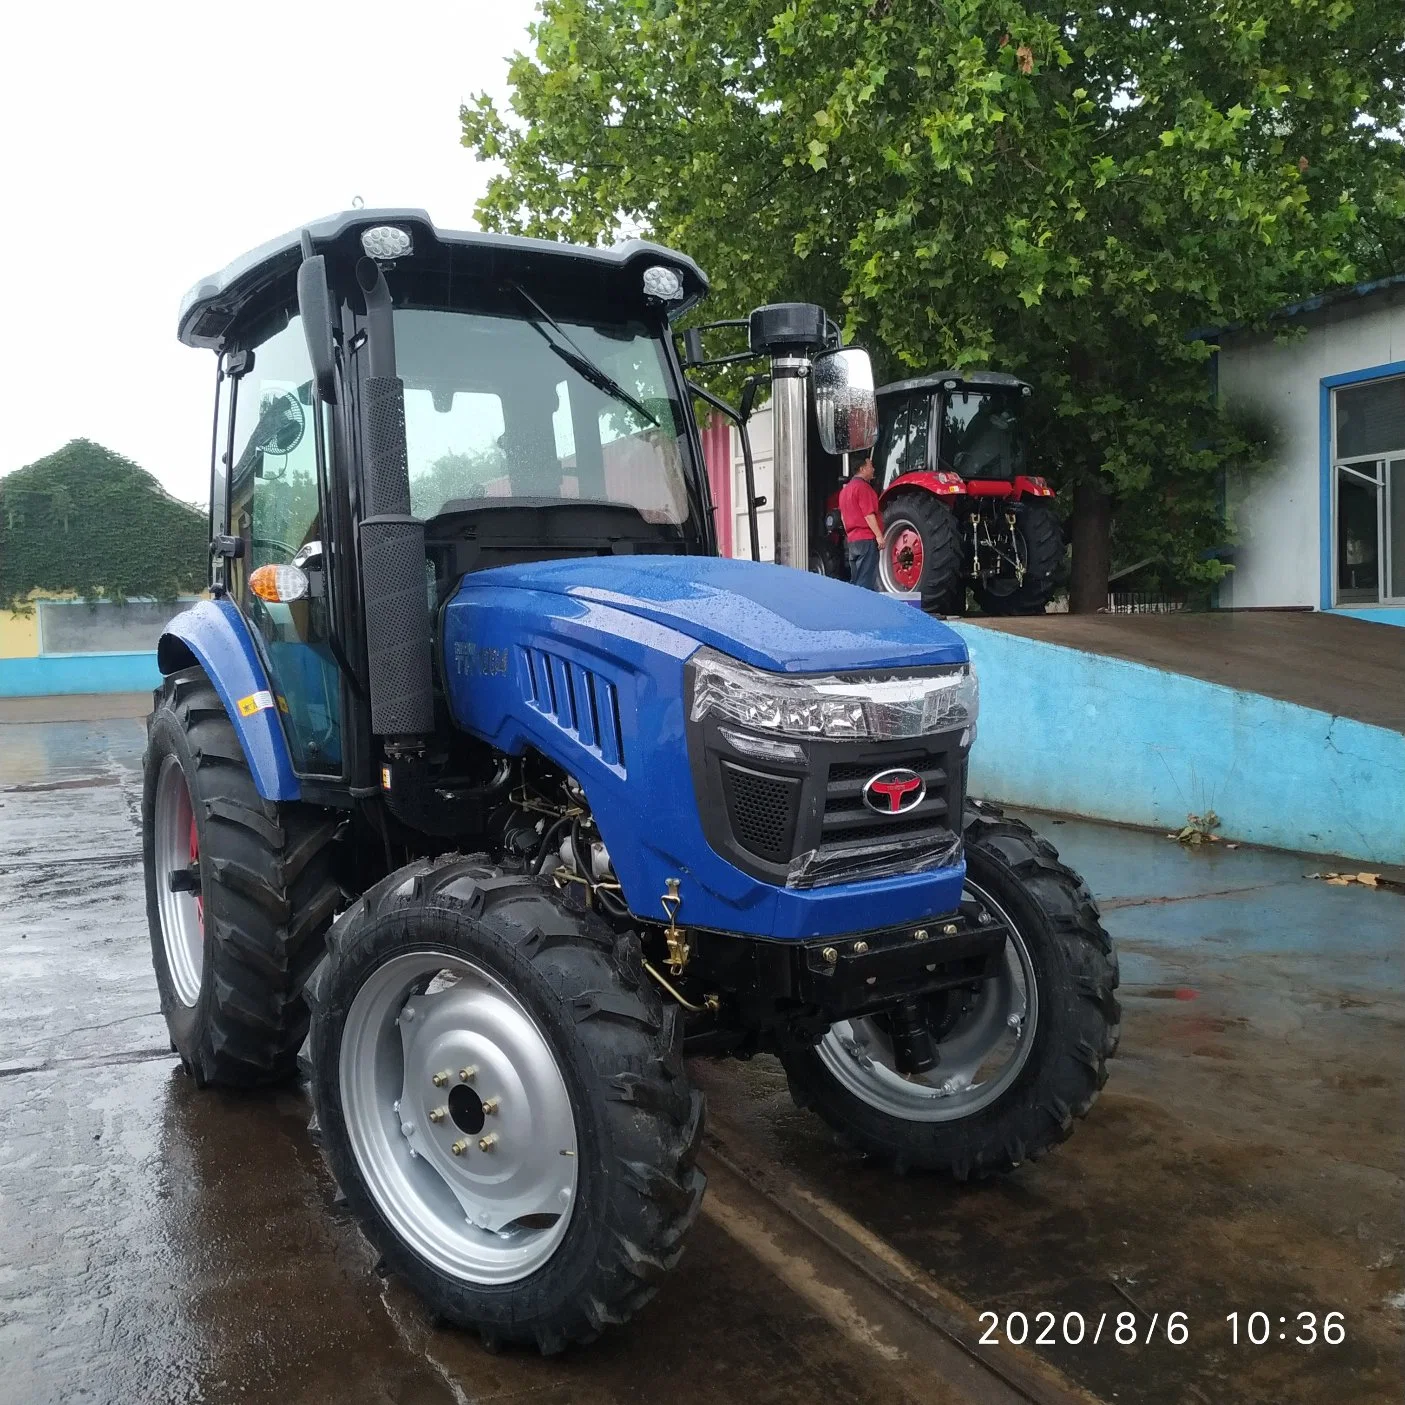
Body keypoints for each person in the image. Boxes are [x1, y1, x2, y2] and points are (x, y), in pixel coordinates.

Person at [838, 456, 884, 590]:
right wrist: (879, 536)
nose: (873, 469)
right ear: (863, 469)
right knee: (865, 582)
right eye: (871, 466)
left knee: (856, 579)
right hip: (866, 539)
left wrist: (850, 535)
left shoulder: (844, 491)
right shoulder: (863, 488)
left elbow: (843, 517)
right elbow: (868, 515)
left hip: (852, 540)